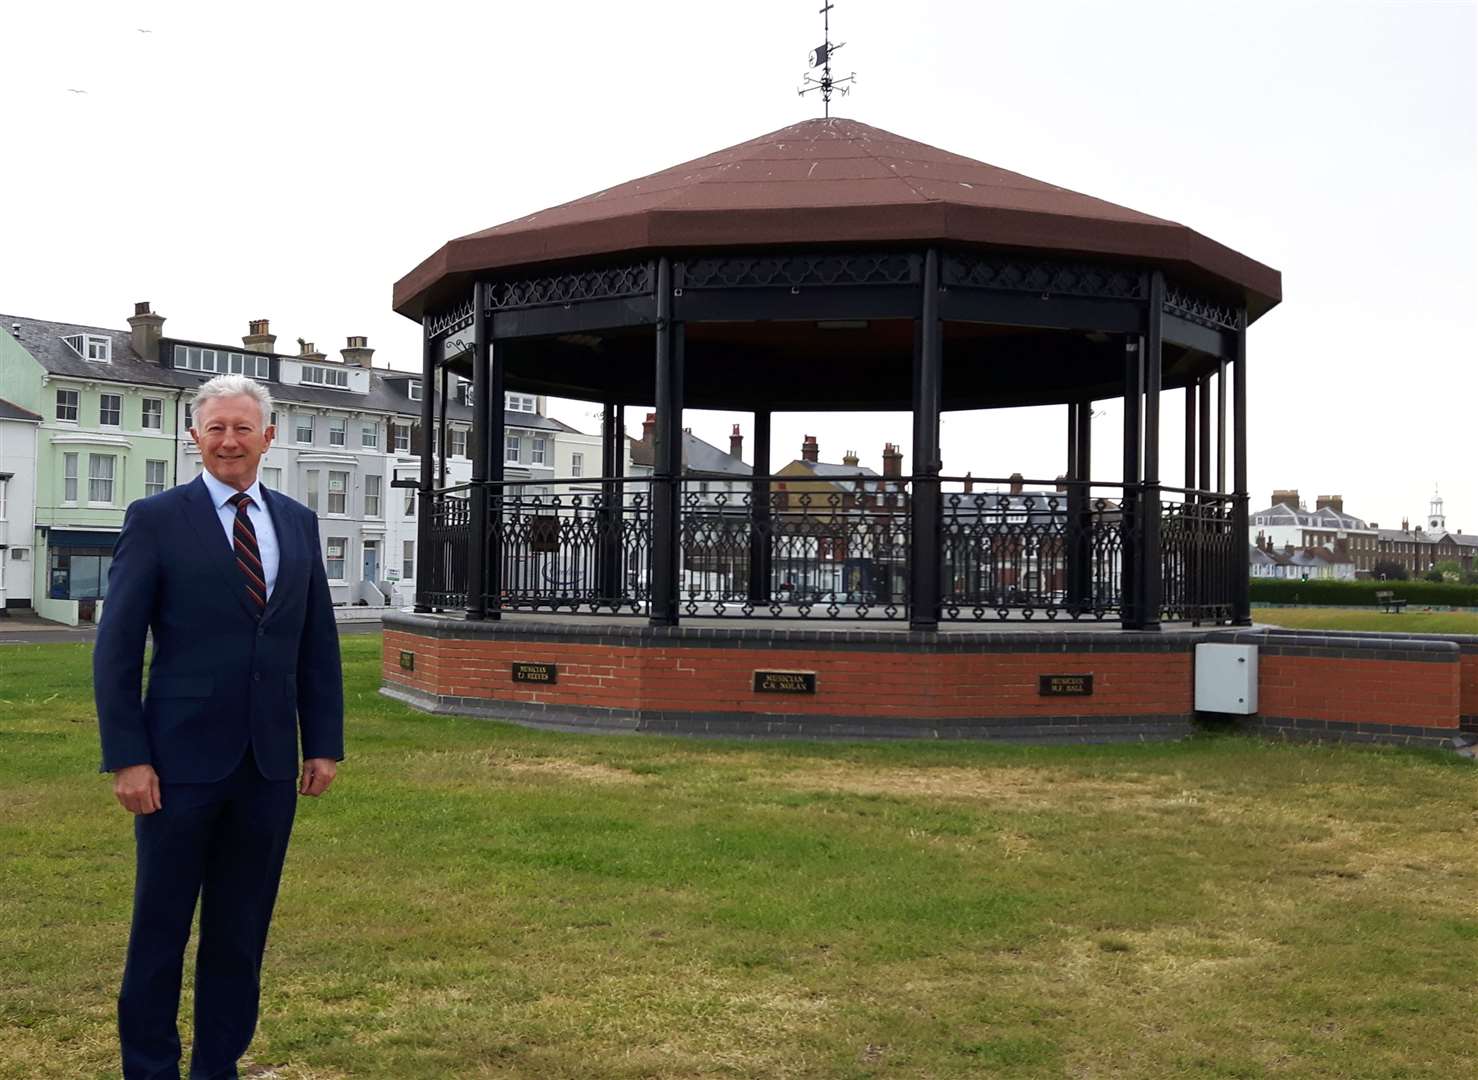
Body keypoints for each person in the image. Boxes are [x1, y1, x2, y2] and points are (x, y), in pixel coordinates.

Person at [94, 373, 343, 1080]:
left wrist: (321, 741)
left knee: (240, 935)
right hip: (177, 766)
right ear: (194, 437)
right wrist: (128, 757)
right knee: (160, 933)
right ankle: (149, 1068)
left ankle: (217, 1067)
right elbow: (117, 648)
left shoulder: (297, 521)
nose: (229, 440)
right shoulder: (157, 518)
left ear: (269, 437)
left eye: (243, 427)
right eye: (216, 428)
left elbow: (315, 640)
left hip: (267, 767)